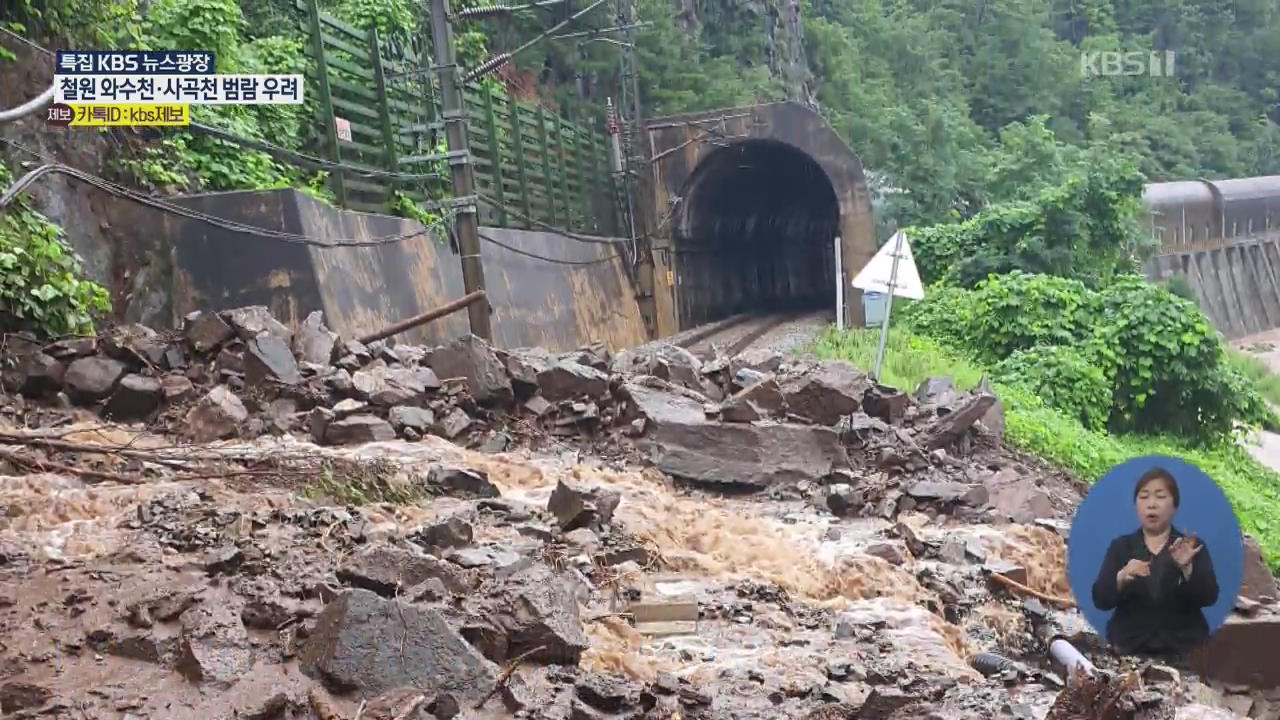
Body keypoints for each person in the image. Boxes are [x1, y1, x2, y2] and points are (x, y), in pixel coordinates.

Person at [1091, 466, 1219, 658]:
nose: (1151, 504)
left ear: (1174, 505)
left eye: (1160, 497)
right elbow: (1100, 600)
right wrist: (1122, 577)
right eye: (1144, 497)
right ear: (1136, 505)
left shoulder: (1190, 547)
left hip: (1183, 649)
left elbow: (1210, 597)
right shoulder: (1121, 547)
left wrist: (1188, 571)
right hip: (1128, 647)